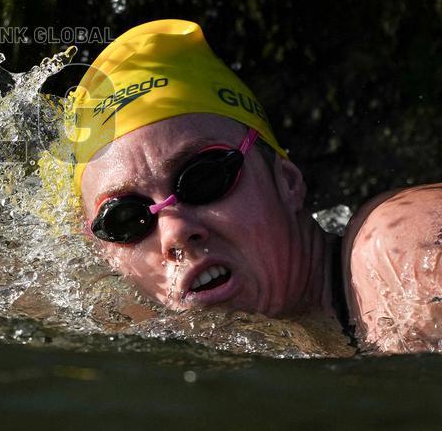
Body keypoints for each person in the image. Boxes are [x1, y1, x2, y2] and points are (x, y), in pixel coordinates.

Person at [67, 19, 442, 352]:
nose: (175, 233)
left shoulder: (399, 253)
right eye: (125, 220)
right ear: (107, 257)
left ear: (287, 180)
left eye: (204, 178)